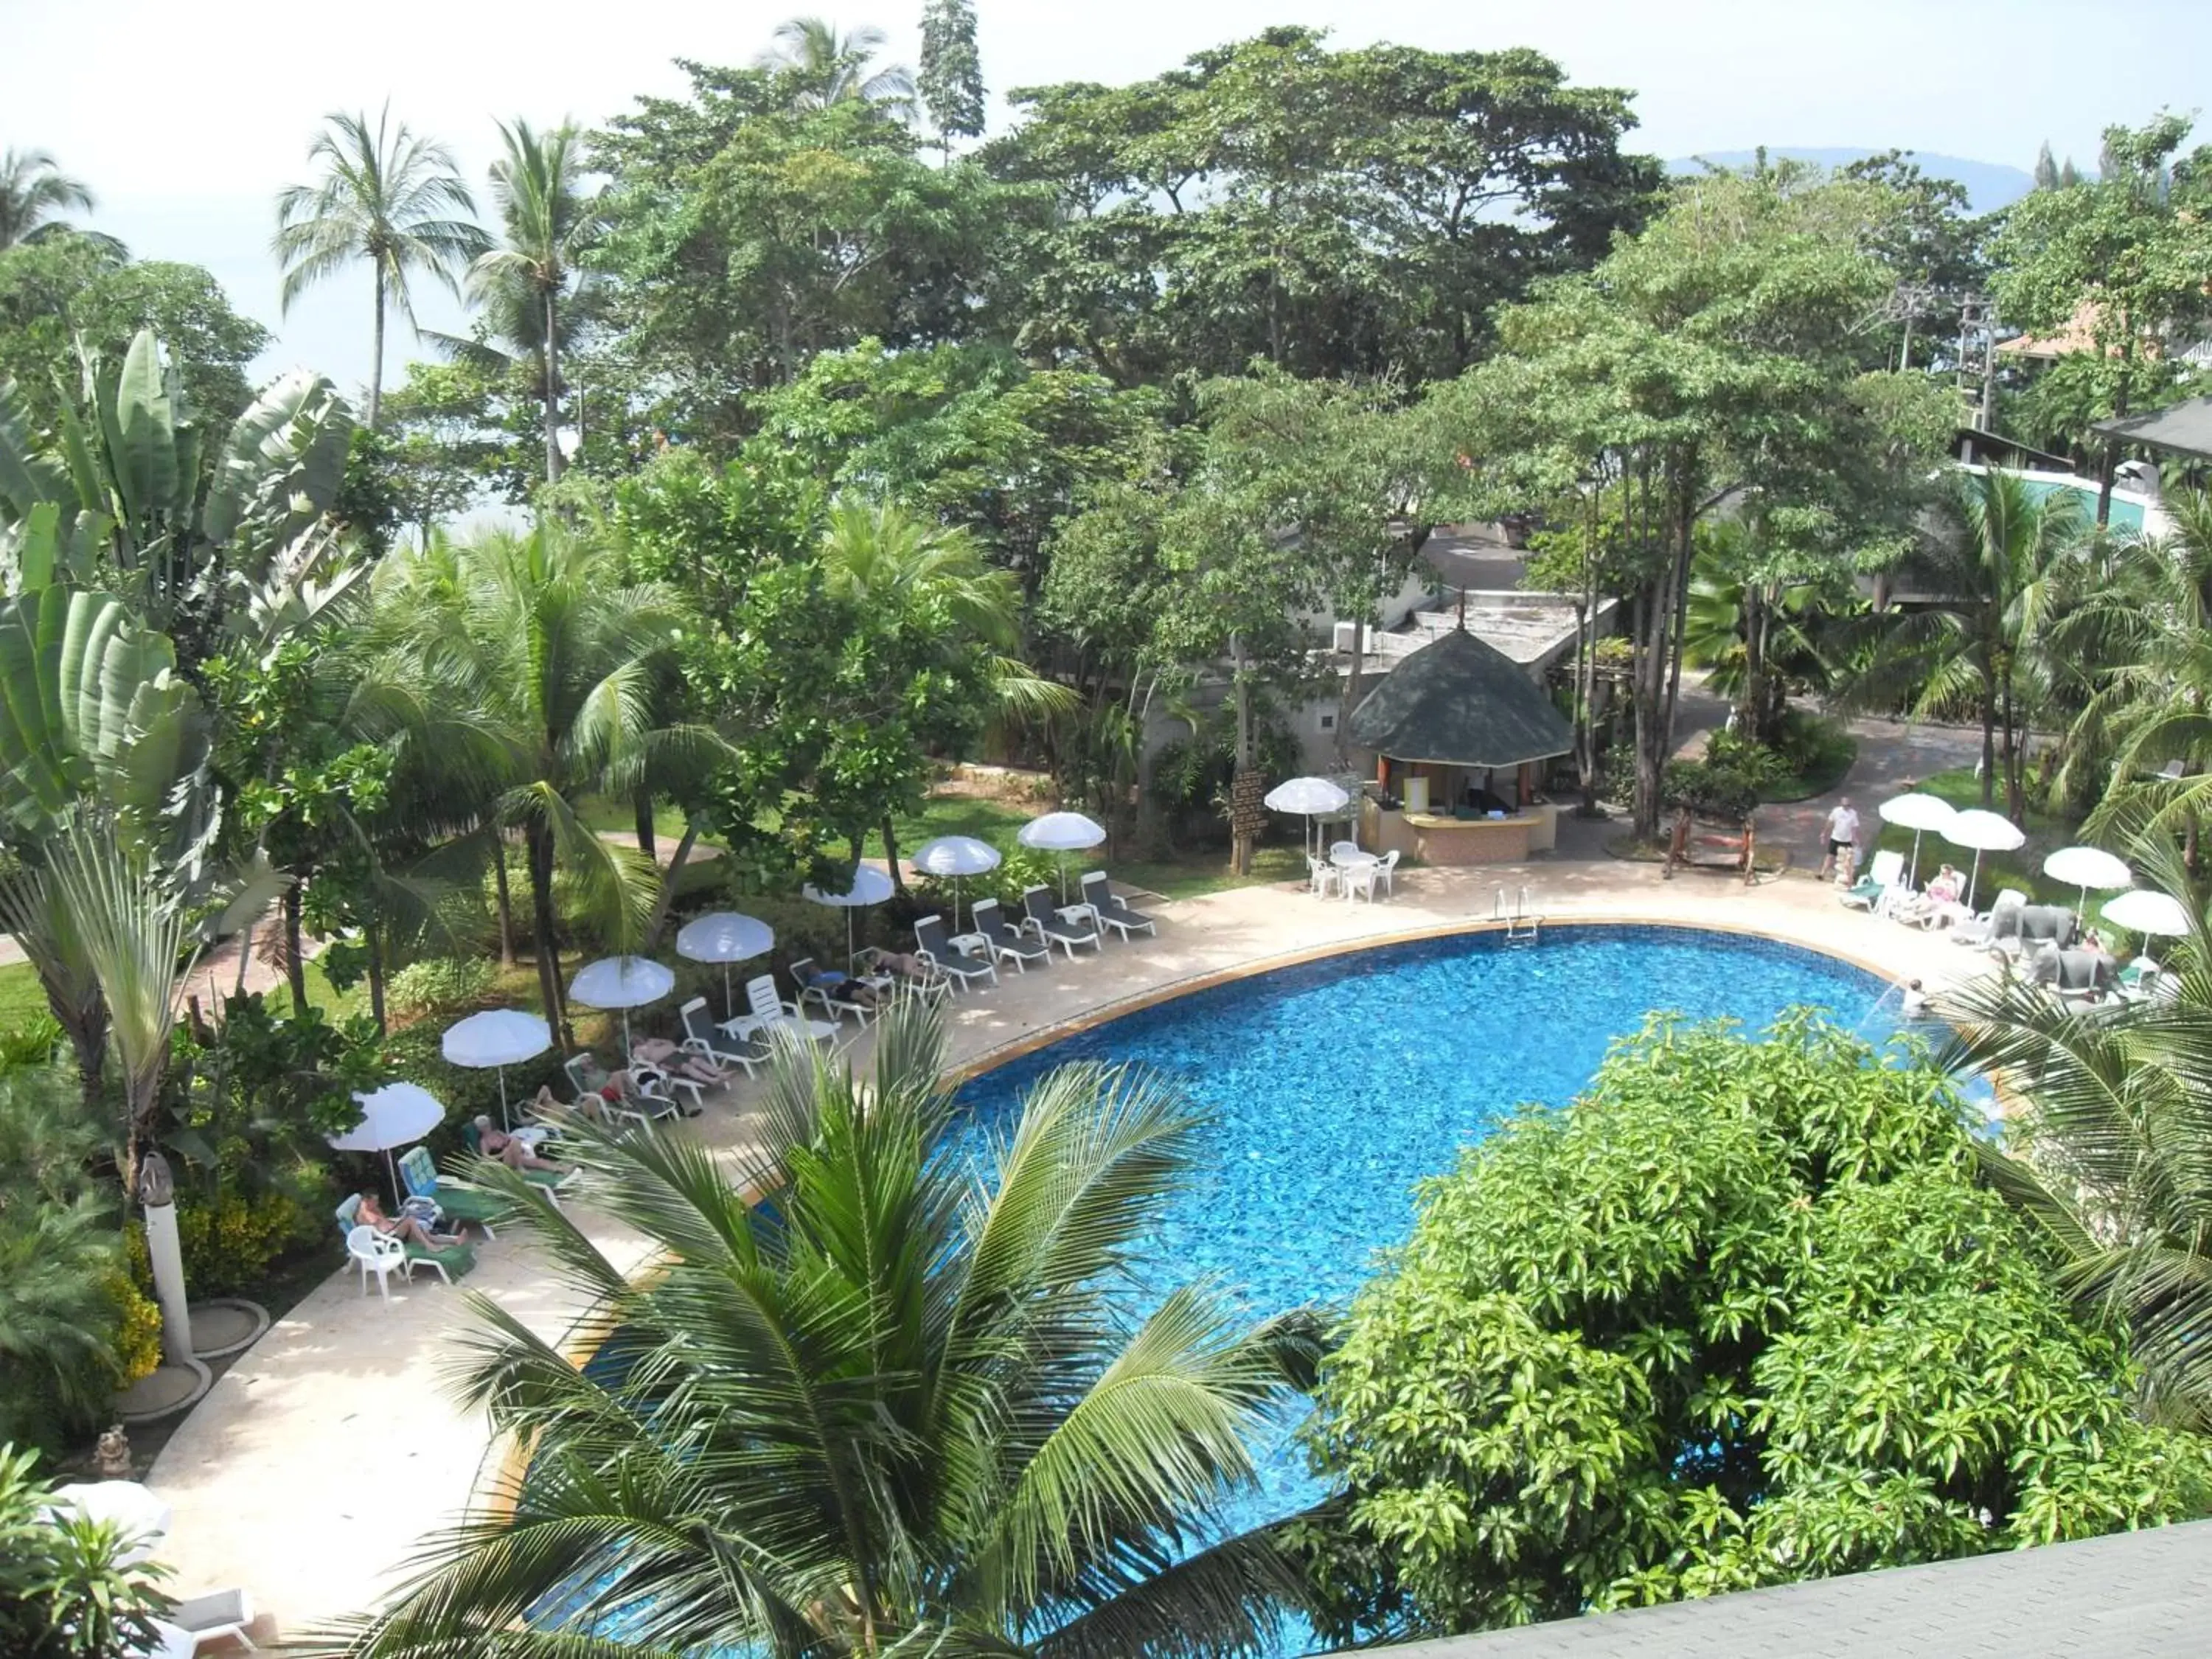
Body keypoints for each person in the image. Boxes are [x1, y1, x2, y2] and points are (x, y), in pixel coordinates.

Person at [357, 1191, 460, 1251]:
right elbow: (374, 1233)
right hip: (387, 1239)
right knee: (411, 1220)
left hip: (395, 1232)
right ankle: (430, 1247)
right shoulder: (364, 1215)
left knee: (424, 1233)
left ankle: (454, 1240)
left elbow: (385, 1221)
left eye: (377, 1200)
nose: (377, 1203)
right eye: (374, 1201)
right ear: (366, 1201)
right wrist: (395, 1226)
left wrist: (397, 1221)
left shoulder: (375, 1209)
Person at [473, 1115, 568, 1174]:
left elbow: (509, 1139)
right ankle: (520, 1168)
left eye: (487, 1125)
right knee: (516, 1141)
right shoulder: (484, 1141)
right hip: (504, 1162)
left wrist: (511, 1145)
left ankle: (562, 1169)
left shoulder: (497, 1132)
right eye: (484, 1126)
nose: (487, 1127)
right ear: (480, 1129)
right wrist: (502, 1154)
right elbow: (485, 1158)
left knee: (537, 1162)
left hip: (514, 1155)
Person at [1820, 796, 1860, 881]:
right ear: (1842, 804)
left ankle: (1846, 877)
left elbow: (1854, 827)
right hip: (1836, 837)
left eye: (1848, 805)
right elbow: (1830, 822)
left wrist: (1855, 837)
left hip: (1847, 839)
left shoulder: (1853, 813)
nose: (1846, 807)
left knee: (1847, 859)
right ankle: (1822, 874)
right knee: (1830, 856)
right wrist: (1824, 833)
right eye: (1845, 805)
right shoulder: (1836, 811)